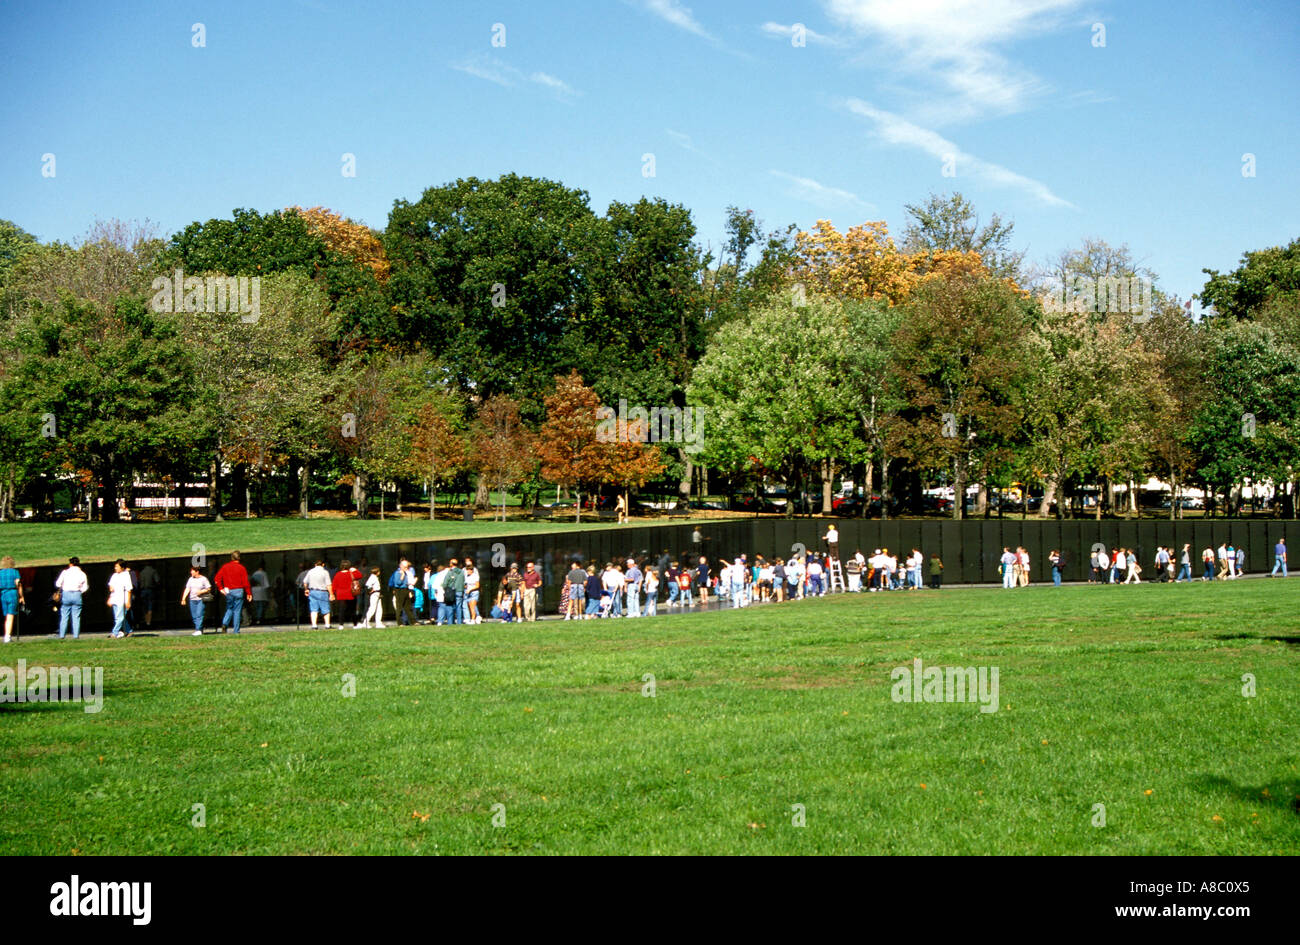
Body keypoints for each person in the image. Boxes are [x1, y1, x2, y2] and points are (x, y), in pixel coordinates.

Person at [214, 552, 252, 634]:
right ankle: (236, 630)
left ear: (231, 558)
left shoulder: (225, 567)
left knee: (229, 608)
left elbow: (217, 578)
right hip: (239, 590)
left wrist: (221, 588)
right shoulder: (241, 568)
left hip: (229, 591)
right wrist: (249, 593)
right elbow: (246, 582)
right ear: (239, 558)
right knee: (237, 611)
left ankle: (225, 623)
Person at [54, 556, 89, 639]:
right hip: (77, 594)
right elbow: (85, 587)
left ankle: (62, 635)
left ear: (70, 564)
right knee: (76, 616)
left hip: (66, 594)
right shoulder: (82, 574)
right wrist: (80, 591)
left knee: (64, 616)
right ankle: (76, 636)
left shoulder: (65, 572)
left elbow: (58, 584)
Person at [106, 559, 133, 638]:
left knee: (119, 617)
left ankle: (114, 633)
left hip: (122, 599)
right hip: (115, 598)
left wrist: (128, 601)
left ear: (122, 567)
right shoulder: (114, 576)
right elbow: (111, 586)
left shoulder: (126, 576)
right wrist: (110, 598)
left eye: (117, 566)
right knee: (119, 617)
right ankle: (129, 631)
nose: (115, 568)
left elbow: (129, 589)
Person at [182, 565, 212, 636]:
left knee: (199, 614)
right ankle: (199, 629)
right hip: (192, 600)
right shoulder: (190, 579)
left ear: (197, 572)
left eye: (192, 571)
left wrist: (201, 592)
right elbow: (187, 589)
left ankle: (198, 630)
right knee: (194, 616)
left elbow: (209, 588)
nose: (191, 572)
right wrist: (183, 598)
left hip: (200, 600)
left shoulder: (203, 579)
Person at [0, 555, 24, 644]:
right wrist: (21, 597)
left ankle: (6, 634)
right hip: (12, 593)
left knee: (6, 615)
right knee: (10, 616)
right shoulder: (15, 572)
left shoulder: (0, 573)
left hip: (3, 594)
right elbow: (18, 584)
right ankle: (7, 636)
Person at [304, 559, 334, 629]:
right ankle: (327, 625)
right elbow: (328, 584)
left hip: (312, 591)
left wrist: (306, 590)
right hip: (322, 592)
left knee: (314, 609)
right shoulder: (325, 572)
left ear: (315, 565)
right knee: (326, 609)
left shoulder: (310, 571)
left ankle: (314, 625)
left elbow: (305, 582)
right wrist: (331, 594)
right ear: (323, 564)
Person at [389, 559, 417, 626]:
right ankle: (400, 622)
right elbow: (398, 583)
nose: (406, 568)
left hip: (406, 589)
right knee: (399, 607)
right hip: (399, 590)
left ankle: (413, 621)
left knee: (408, 607)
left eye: (407, 567)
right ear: (401, 566)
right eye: (405, 567)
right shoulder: (397, 573)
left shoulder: (406, 573)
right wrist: (402, 576)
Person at [331, 559, 357, 628]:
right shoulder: (351, 573)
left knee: (341, 610)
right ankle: (355, 624)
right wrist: (354, 570)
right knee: (352, 610)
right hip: (350, 594)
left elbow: (334, 585)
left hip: (341, 594)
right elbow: (359, 575)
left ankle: (341, 625)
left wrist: (332, 594)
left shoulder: (337, 574)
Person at [138, 563, 160, 632]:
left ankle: (145, 621)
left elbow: (139, 582)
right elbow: (157, 580)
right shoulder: (153, 571)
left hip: (142, 591)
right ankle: (148, 623)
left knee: (144, 607)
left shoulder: (141, 572)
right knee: (150, 606)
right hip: (150, 590)